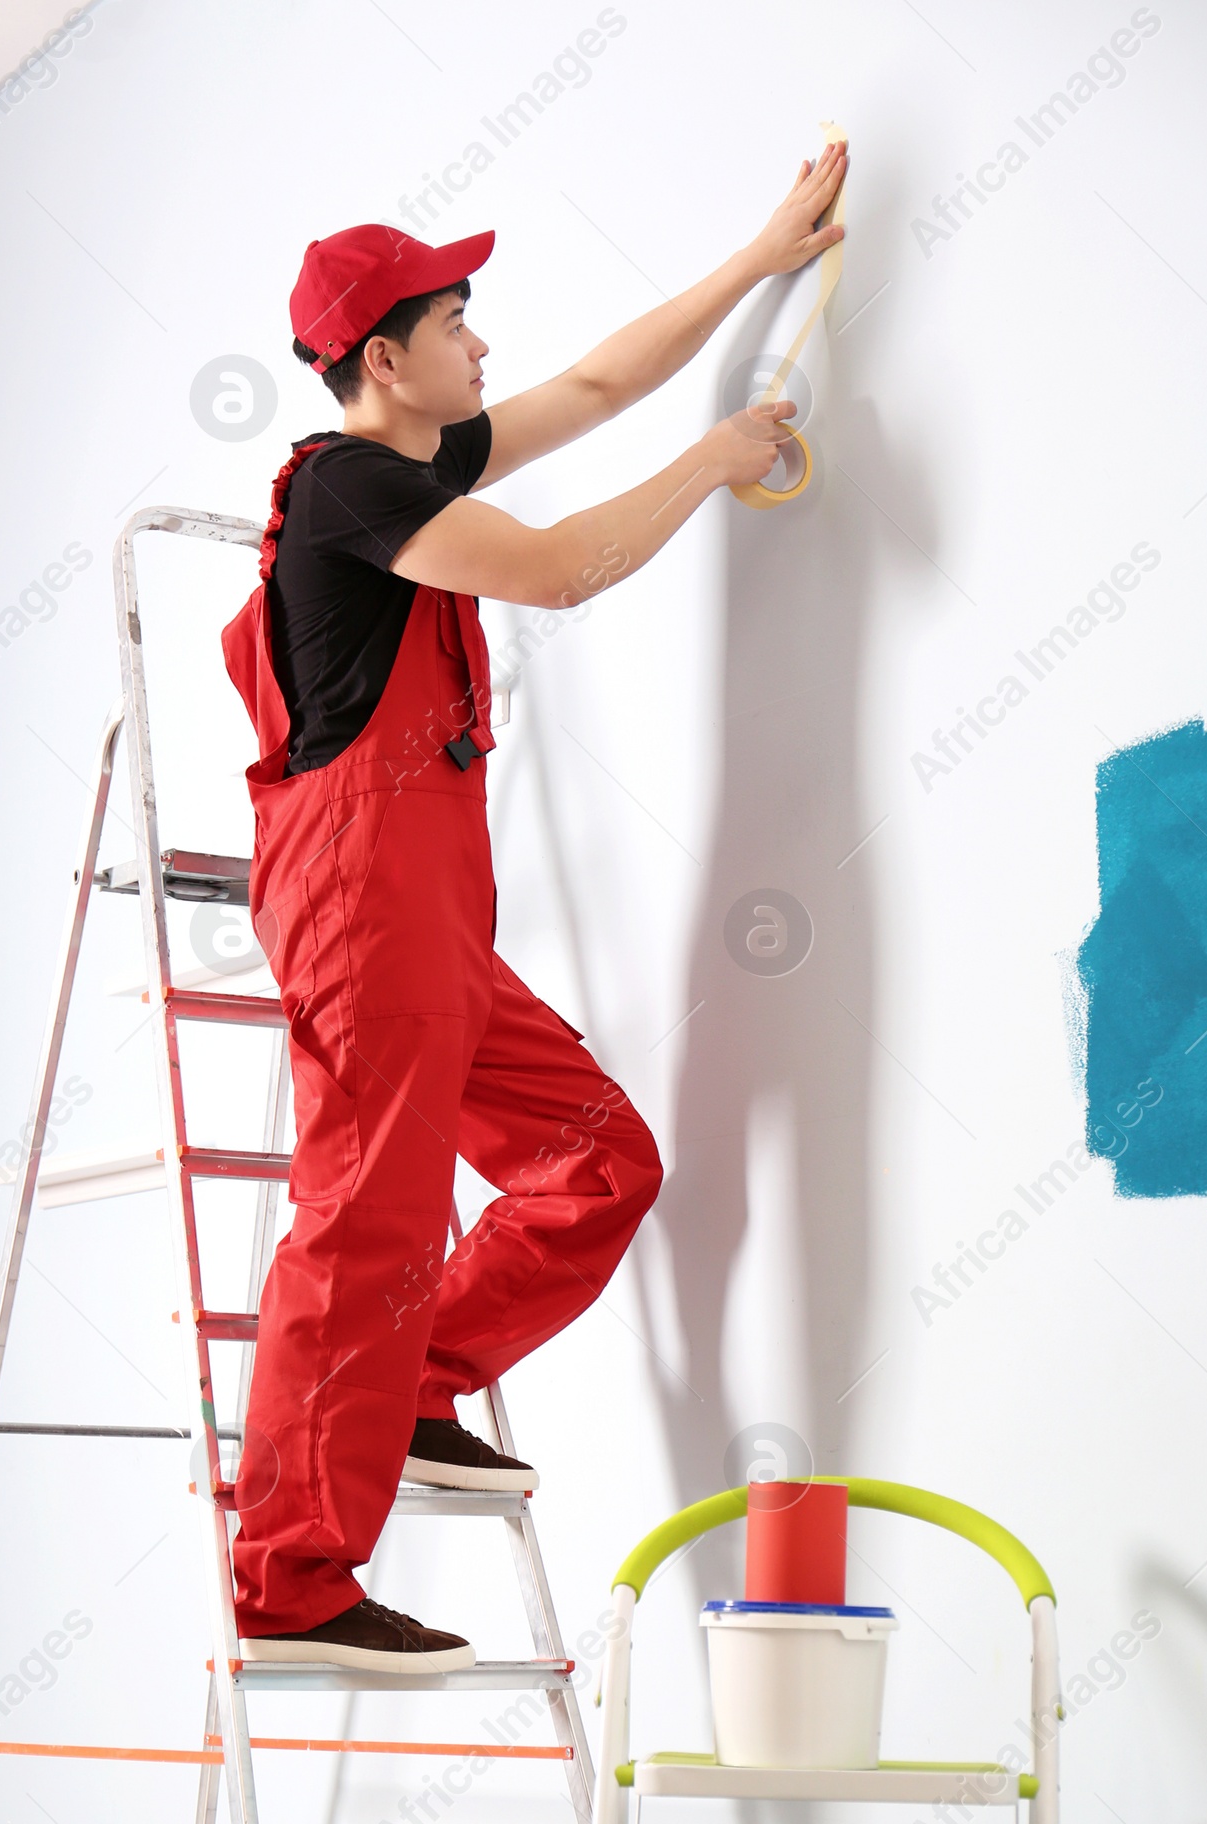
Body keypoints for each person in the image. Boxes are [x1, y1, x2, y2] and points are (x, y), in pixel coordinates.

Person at [221, 142, 848, 1672]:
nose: (484, 343)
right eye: (459, 320)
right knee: (361, 1221)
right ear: (387, 354)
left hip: (431, 921)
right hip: (365, 908)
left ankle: (420, 1378)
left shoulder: (410, 466)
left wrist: (760, 258)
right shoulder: (356, 486)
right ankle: (292, 1582)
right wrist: (720, 462)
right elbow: (563, 573)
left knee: (596, 1161)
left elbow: (591, 388)